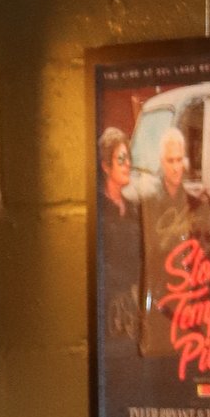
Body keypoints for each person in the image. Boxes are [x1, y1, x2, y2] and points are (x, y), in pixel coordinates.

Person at [136, 125, 209, 359]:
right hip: (162, 297)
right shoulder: (151, 200)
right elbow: (151, 250)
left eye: (179, 160)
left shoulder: (190, 199)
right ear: (161, 162)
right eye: (170, 161)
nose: (176, 167)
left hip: (188, 296)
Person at [96, 125, 140, 346]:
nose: (128, 165)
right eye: (121, 159)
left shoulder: (134, 208)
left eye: (128, 158)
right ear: (105, 165)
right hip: (108, 317)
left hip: (134, 314)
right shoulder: (99, 211)